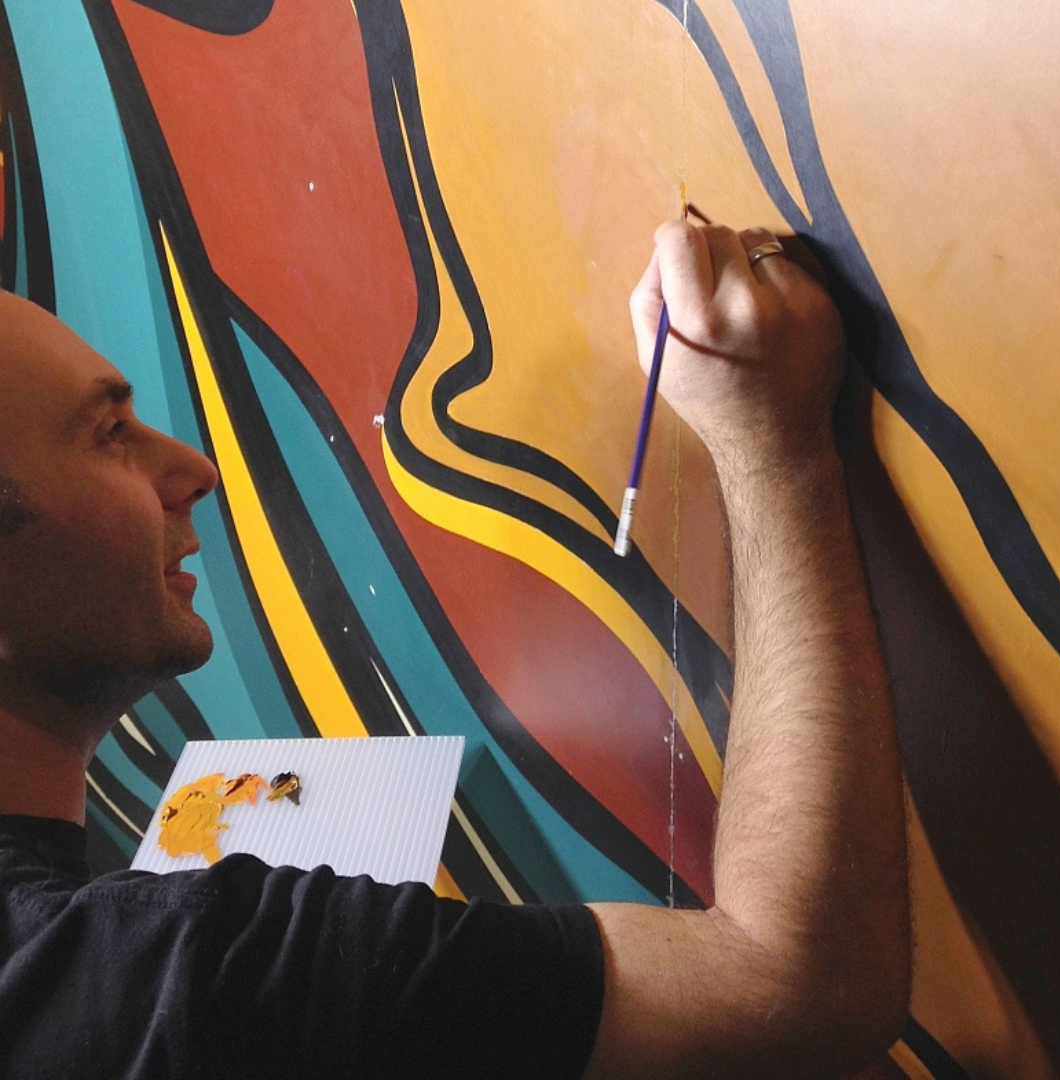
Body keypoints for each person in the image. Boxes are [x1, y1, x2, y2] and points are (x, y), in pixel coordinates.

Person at [0, 221, 909, 1079]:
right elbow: (798, 985)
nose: (192, 471)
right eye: (109, 435)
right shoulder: (181, 980)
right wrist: (770, 448)